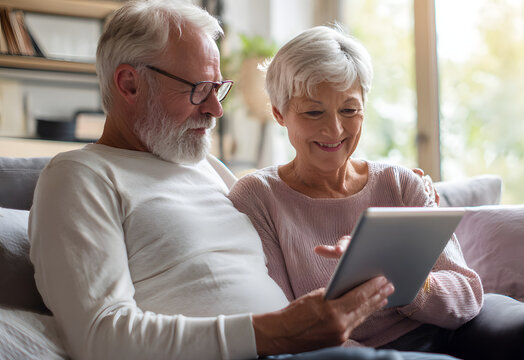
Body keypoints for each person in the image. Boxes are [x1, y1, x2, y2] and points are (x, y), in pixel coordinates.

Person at [27, 1, 457, 360]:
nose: (216, 109)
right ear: (129, 84)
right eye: (198, 89)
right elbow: (99, 334)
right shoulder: (78, 178)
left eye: (218, 88)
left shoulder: (208, 170)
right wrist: (277, 331)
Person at [228, 26, 524, 360]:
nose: (334, 130)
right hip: (349, 351)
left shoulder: (398, 182)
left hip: (455, 328)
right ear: (280, 113)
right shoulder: (258, 197)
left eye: (349, 110)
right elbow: (284, 323)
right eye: (314, 111)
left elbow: (466, 295)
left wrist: (407, 282)